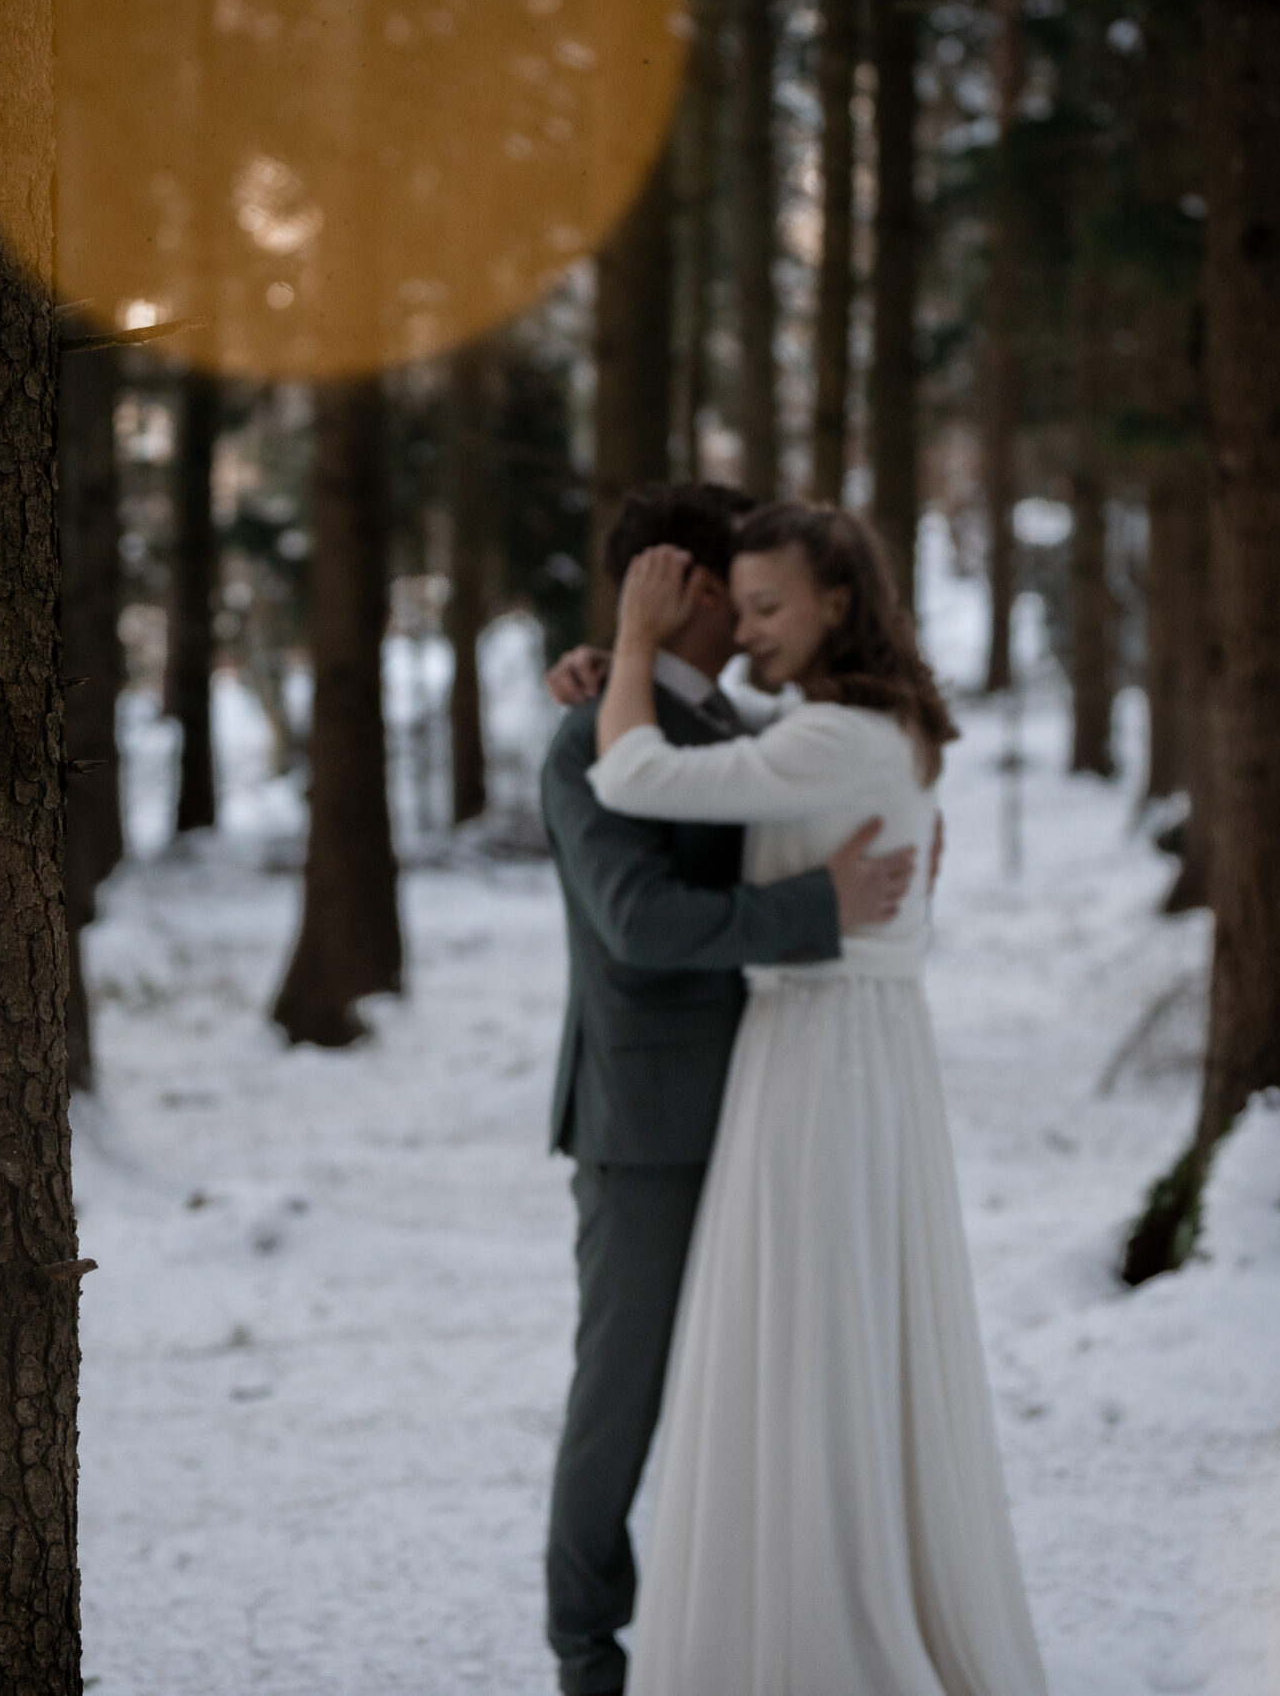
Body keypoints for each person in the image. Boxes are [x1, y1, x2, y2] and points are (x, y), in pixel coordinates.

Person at [587, 503, 1048, 1696]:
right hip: (845, 1042)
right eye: (734, 608)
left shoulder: (835, 735)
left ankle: (821, 1625)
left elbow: (634, 770)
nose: (745, 634)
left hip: (819, 1048)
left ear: (838, 604)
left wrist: (632, 648)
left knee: (811, 1329)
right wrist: (612, 671)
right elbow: (731, 741)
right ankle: (823, 1591)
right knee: (826, 1326)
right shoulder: (852, 725)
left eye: (769, 608)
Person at [540, 484, 920, 1696]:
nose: (757, 621)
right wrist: (818, 910)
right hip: (650, 1127)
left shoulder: (729, 726)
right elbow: (638, 921)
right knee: (622, 1402)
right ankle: (589, 1656)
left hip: (774, 1110)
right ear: (687, 589)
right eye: (739, 593)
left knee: (760, 1384)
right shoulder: (587, 733)